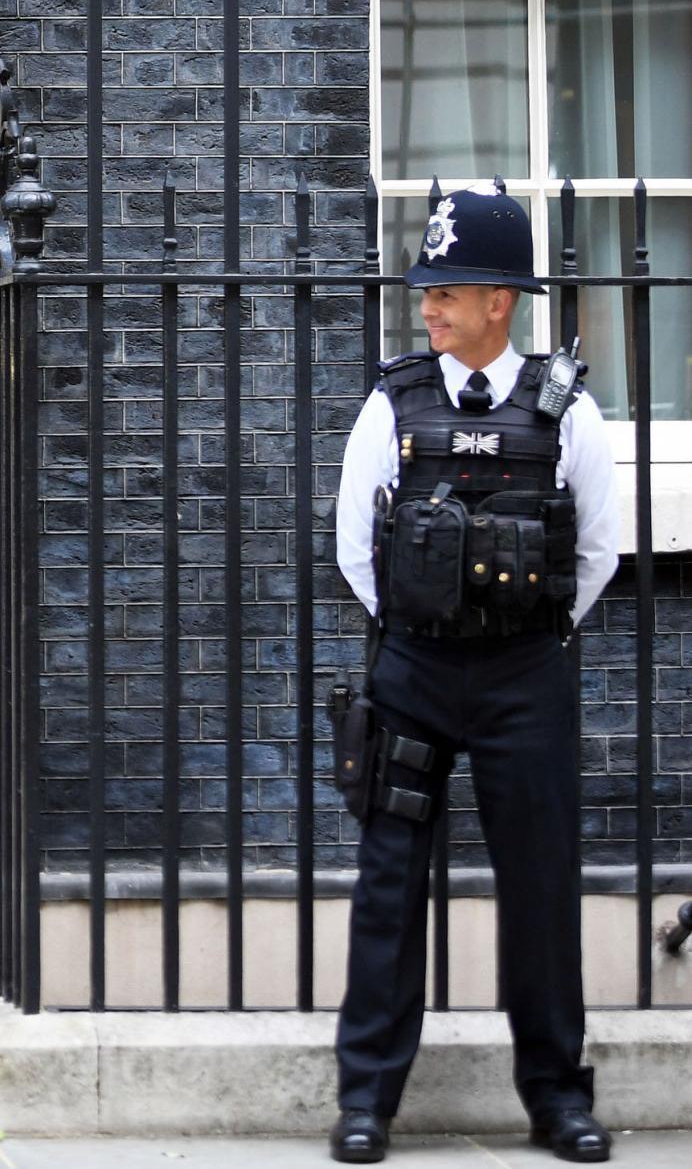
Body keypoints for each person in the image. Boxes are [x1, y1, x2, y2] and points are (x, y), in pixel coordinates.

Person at [329, 185, 621, 1164]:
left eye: (446, 291)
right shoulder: (393, 403)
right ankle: (366, 1099)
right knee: (385, 886)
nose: (428, 307)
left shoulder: (566, 411)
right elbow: (352, 548)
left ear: (500, 300)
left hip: (524, 678)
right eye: (426, 291)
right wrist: (420, 626)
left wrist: (522, 635)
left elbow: (597, 555)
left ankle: (558, 1100)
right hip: (412, 669)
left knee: (540, 891)